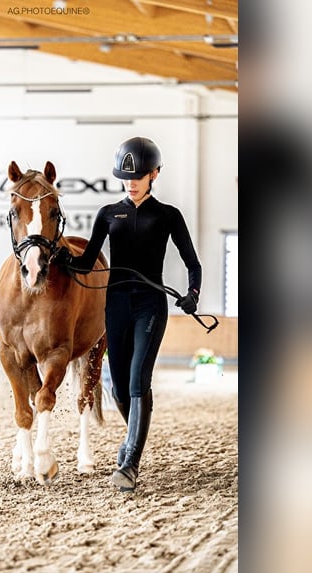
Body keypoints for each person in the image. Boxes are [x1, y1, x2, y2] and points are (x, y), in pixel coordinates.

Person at [55, 137, 202, 492]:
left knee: (139, 379)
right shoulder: (108, 214)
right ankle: (135, 436)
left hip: (150, 304)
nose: (131, 182)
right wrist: (59, 256)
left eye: (138, 176)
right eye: (125, 176)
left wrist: (193, 294)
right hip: (116, 304)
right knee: (118, 386)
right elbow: (87, 260)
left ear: (154, 174)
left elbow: (192, 263)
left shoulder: (168, 215)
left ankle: (130, 461)